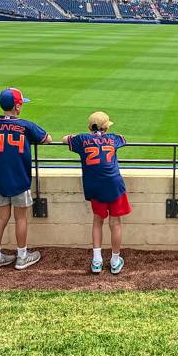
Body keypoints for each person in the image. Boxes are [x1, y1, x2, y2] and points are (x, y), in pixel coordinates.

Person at [0, 88, 52, 271]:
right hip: (19, 177)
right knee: (21, 218)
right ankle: (22, 256)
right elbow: (47, 139)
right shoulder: (25, 125)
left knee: (1, 217)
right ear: (17, 106)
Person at [64, 112, 130, 275]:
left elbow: (65, 139)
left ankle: (97, 260)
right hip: (114, 184)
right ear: (106, 127)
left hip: (94, 186)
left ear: (89, 127)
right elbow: (123, 139)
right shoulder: (113, 138)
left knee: (97, 221)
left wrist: (79, 136)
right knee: (115, 223)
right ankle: (115, 261)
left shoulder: (81, 139)